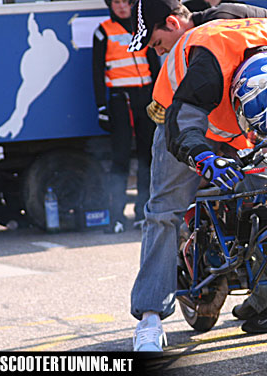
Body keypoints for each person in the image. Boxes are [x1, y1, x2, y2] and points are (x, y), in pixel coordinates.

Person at [127, 0, 267, 351]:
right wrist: (203, 157)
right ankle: (150, 320)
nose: (158, 51)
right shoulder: (210, 60)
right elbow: (184, 121)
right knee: (164, 212)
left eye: (156, 42)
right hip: (180, 124)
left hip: (251, 121)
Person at [92, 0, 159, 233]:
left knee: (146, 157)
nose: (121, 7)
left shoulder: (142, 27)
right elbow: (96, 71)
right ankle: (117, 216)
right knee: (119, 158)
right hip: (120, 100)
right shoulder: (103, 31)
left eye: (126, 2)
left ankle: (142, 211)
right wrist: (101, 106)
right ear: (110, 5)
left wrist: (160, 97)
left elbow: (155, 65)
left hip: (145, 97)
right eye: (116, 2)